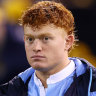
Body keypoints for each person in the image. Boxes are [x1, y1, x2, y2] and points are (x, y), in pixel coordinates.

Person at [0, 1, 96, 96]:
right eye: (30, 39)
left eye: (46, 38)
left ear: (68, 42)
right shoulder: (9, 90)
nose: (36, 47)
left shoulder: (91, 86)